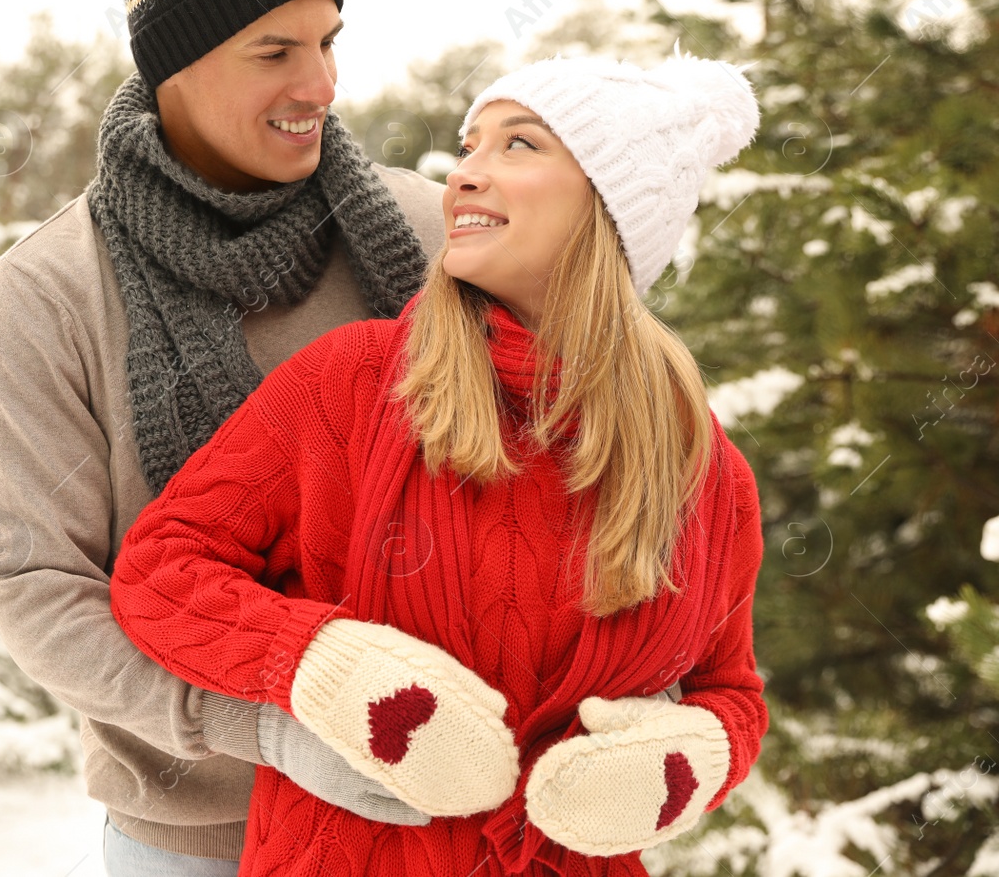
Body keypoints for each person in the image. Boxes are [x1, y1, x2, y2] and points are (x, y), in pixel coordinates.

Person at [109, 48, 771, 876]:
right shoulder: (352, 384)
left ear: (613, 207)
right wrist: (328, 666)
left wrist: (680, 763)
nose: (466, 176)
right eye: (469, 148)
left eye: (518, 145)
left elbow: (731, 692)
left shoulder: (702, 467)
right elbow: (160, 568)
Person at [0, 0, 451, 872]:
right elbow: (41, 588)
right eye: (273, 50)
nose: (318, 85)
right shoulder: (46, 294)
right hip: (200, 842)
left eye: (327, 43)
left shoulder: (426, 235)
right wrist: (267, 724)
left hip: (443, 816)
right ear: (173, 64)